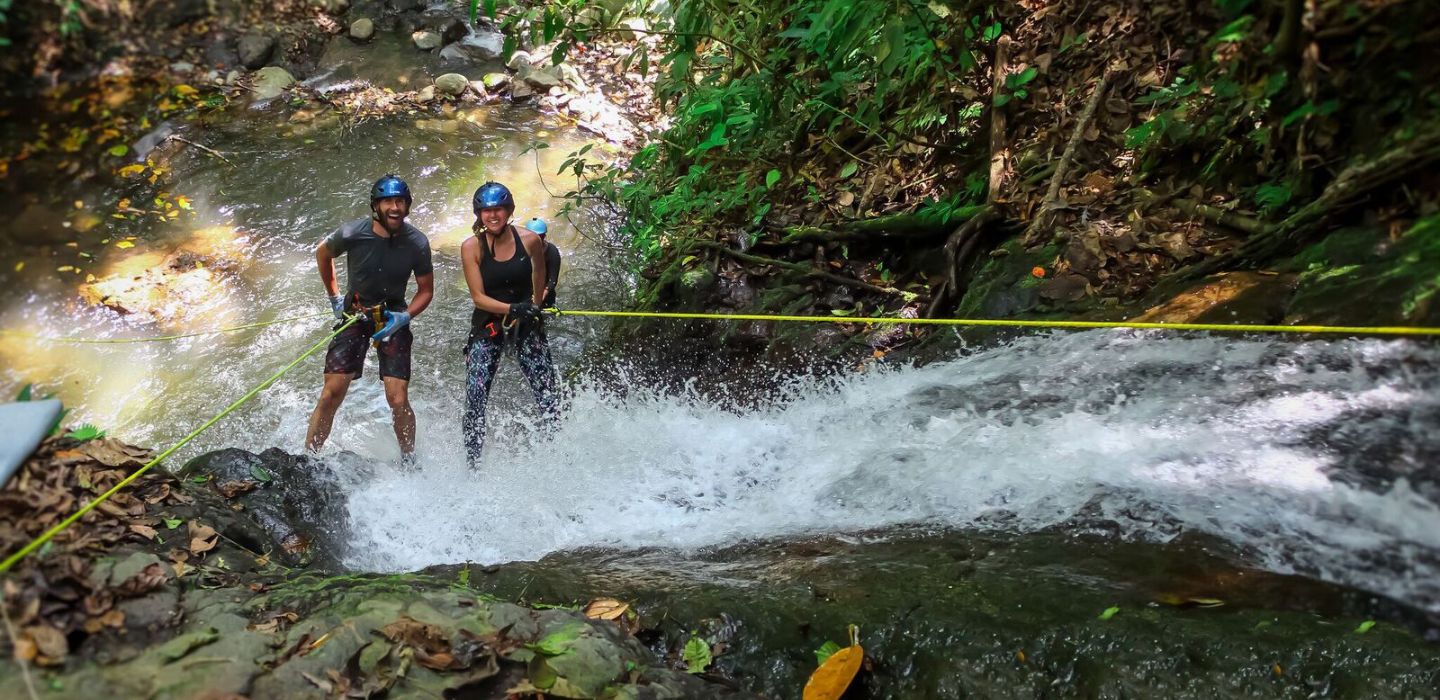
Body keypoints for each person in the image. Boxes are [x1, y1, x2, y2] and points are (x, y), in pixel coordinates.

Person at [305, 174, 434, 463]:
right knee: (332, 392)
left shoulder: (417, 242)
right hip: (356, 313)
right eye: (388, 202)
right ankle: (309, 459)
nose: (395, 208)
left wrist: (404, 317)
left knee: (397, 398)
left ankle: (409, 460)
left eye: (400, 202)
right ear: (376, 206)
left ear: (408, 205)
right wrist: (334, 297)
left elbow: (426, 291)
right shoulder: (353, 233)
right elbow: (323, 254)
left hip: (392, 315)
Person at [460, 182, 559, 467]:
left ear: (509, 211)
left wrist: (534, 307)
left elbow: (539, 278)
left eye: (499, 210)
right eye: (487, 211)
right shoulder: (471, 248)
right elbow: (478, 298)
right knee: (476, 395)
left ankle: (556, 451)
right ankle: (473, 463)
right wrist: (512, 308)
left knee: (547, 393)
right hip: (488, 324)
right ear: (479, 214)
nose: (493, 216)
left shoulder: (530, 240)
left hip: (526, 323)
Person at [525, 217, 561, 308]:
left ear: (544, 236)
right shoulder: (520, 250)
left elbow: (552, 280)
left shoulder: (552, 252)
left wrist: (538, 299)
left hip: (545, 292)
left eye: (540, 236)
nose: (537, 240)